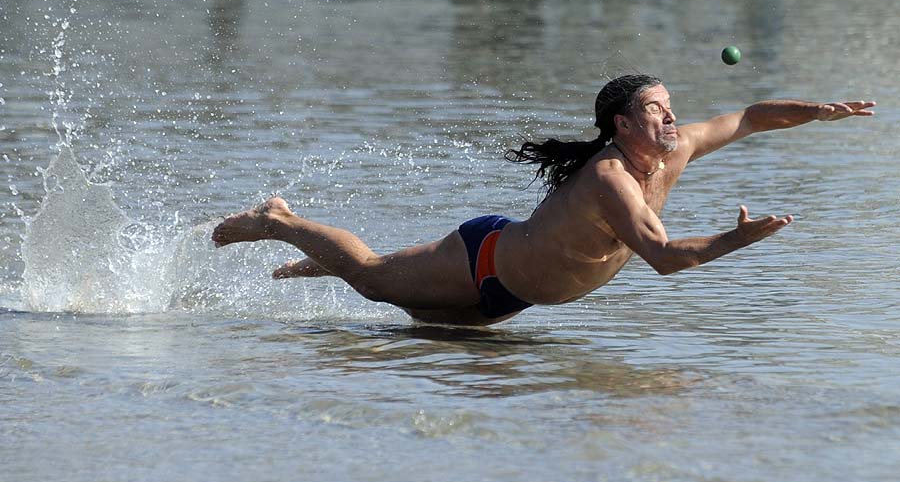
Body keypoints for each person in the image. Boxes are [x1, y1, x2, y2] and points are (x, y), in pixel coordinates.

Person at [211, 74, 875, 326]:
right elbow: (666, 258)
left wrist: (816, 112)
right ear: (620, 124)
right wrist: (739, 238)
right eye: (654, 109)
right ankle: (282, 221)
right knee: (375, 283)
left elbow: (752, 116)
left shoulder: (675, 150)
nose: (670, 119)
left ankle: (329, 257)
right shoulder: (611, 178)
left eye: (670, 107)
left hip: (517, 297)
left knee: (417, 331)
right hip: (488, 260)